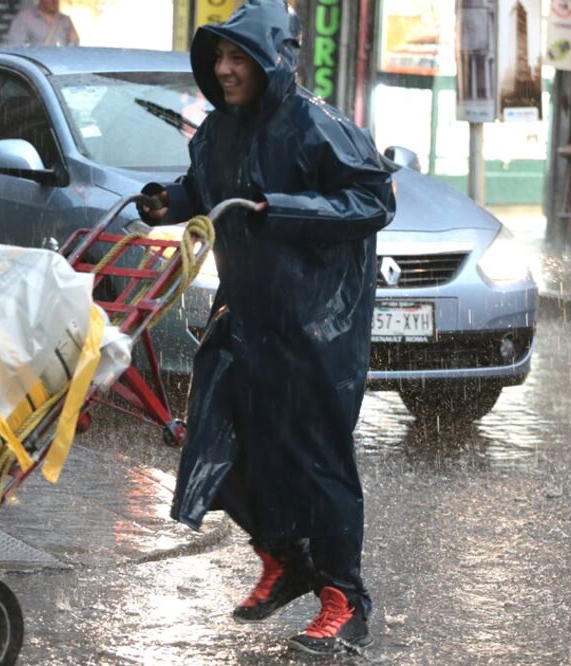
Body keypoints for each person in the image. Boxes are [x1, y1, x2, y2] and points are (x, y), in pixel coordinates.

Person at [139, 0, 395, 656]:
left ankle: (345, 601)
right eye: (218, 58)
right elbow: (203, 185)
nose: (224, 70)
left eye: (237, 58)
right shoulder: (218, 129)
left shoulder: (318, 126)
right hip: (245, 313)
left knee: (313, 459)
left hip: (316, 327)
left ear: (270, 60)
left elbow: (372, 201)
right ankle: (283, 558)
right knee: (223, 438)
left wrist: (280, 208)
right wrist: (169, 201)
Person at [4, 0, 79, 47]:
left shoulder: (65, 20)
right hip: (36, 68)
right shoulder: (25, 18)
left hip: (60, 67)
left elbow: (74, 48)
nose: (54, 1)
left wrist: (73, 41)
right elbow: (13, 46)